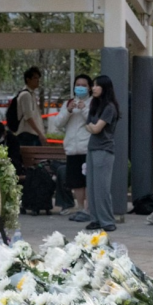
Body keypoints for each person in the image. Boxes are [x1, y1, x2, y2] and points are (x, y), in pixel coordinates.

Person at [50, 75, 93, 222]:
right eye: (78, 84)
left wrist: (84, 109)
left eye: (84, 85)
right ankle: (80, 208)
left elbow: (94, 120)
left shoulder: (93, 102)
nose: (80, 87)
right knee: (76, 182)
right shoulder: (69, 102)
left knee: (87, 180)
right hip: (72, 149)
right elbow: (58, 123)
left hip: (86, 148)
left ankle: (89, 209)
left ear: (89, 87)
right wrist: (68, 110)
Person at [84, 75, 120, 232]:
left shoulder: (109, 107)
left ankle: (107, 221)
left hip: (104, 150)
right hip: (92, 148)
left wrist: (92, 126)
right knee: (91, 187)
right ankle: (95, 219)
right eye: (93, 85)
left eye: (97, 85)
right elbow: (88, 125)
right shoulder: (95, 105)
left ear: (105, 88)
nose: (93, 88)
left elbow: (96, 129)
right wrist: (92, 126)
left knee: (102, 187)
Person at [12, 67, 46, 147]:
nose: (38, 80)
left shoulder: (32, 94)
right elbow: (28, 117)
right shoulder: (25, 95)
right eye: (35, 78)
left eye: (38, 78)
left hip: (32, 134)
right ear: (28, 79)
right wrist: (40, 133)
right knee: (30, 158)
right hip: (27, 135)